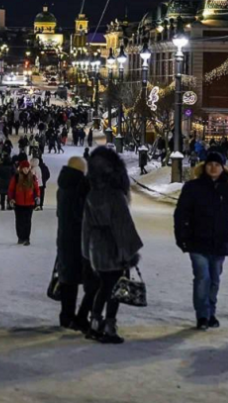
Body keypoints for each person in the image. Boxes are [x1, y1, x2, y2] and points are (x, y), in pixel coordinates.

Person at [173, 151, 228, 330]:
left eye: (217, 165)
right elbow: (181, 213)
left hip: (219, 242)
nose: (213, 168)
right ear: (204, 167)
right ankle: (202, 315)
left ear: (222, 167)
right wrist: (181, 237)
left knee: (215, 279)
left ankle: (211, 312)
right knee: (203, 277)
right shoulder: (193, 187)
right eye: (210, 164)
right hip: (197, 241)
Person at [83, 147, 143, 344]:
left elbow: (86, 225)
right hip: (114, 248)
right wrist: (129, 253)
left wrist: (87, 250)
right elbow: (123, 227)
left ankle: (94, 322)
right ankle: (109, 325)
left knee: (103, 286)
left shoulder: (92, 194)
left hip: (97, 247)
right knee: (114, 289)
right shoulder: (116, 196)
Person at [56, 156, 90, 332]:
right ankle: (78, 317)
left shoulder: (63, 185)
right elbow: (82, 213)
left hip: (64, 237)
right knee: (88, 280)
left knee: (68, 279)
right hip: (79, 239)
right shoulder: (80, 186)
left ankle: (66, 315)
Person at [8, 160, 41, 246]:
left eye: (27, 168)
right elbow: (11, 189)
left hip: (29, 204)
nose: (26, 170)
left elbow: (37, 189)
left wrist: (37, 196)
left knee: (27, 221)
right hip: (18, 203)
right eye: (24, 168)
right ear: (21, 168)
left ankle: (27, 238)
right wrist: (11, 199)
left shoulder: (33, 177)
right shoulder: (16, 177)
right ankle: (20, 237)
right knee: (19, 221)